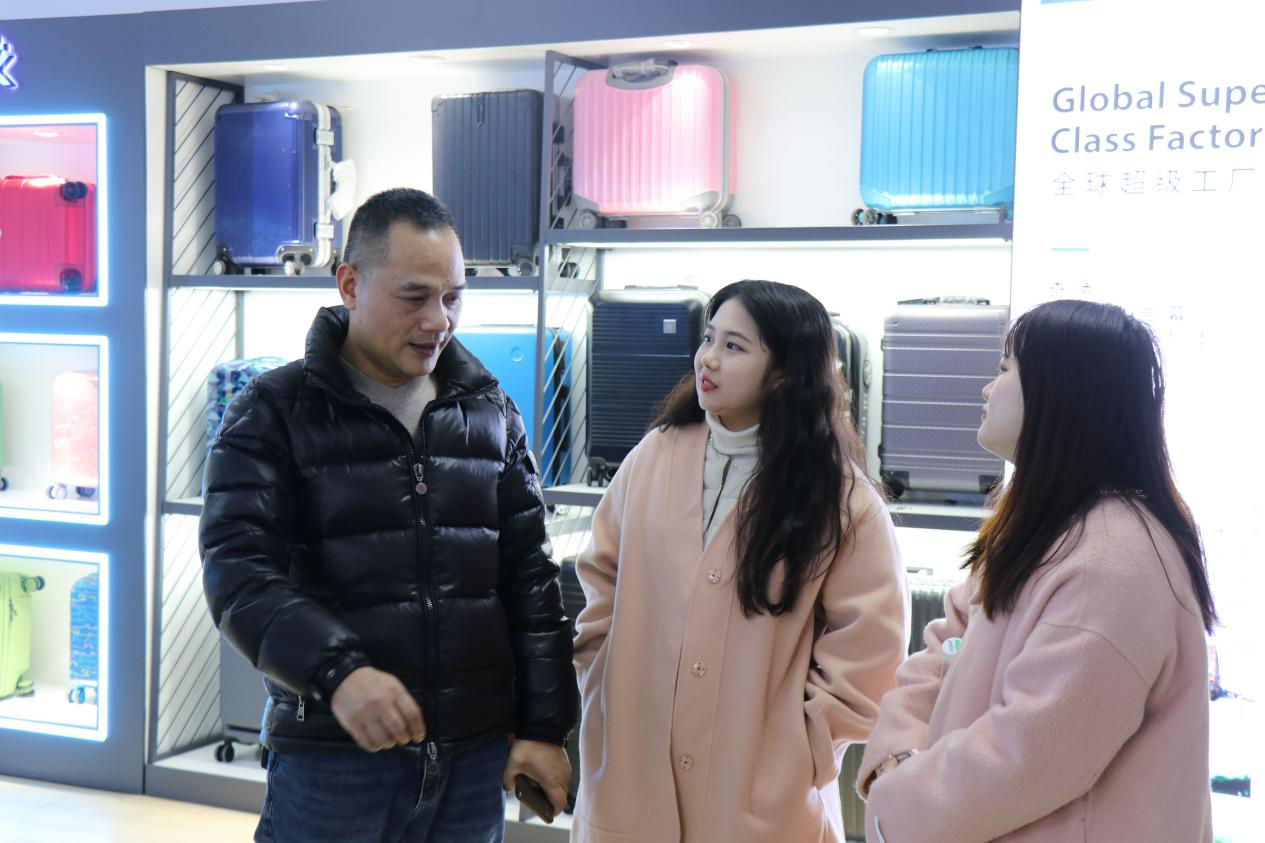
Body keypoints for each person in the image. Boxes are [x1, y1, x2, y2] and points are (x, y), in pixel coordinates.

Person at [200, 188, 578, 843]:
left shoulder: (489, 411)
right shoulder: (272, 412)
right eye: (414, 297)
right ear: (350, 284)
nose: (439, 320)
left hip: (471, 764)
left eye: (453, 296)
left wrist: (545, 727)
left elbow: (530, 580)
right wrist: (338, 672)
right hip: (334, 761)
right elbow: (239, 575)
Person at [858, 299, 1217, 842]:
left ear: (1060, 392)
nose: (986, 389)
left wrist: (904, 793)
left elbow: (1029, 751)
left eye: (1004, 368)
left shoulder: (1113, 557)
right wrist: (896, 762)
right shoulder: (1047, 526)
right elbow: (944, 647)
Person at [571, 280, 909, 842]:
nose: (708, 358)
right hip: (631, 772)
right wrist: (600, 679)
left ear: (784, 372)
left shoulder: (840, 499)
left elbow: (871, 652)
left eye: (734, 346)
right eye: (709, 339)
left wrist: (800, 749)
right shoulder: (654, 455)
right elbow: (600, 576)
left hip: (761, 804)